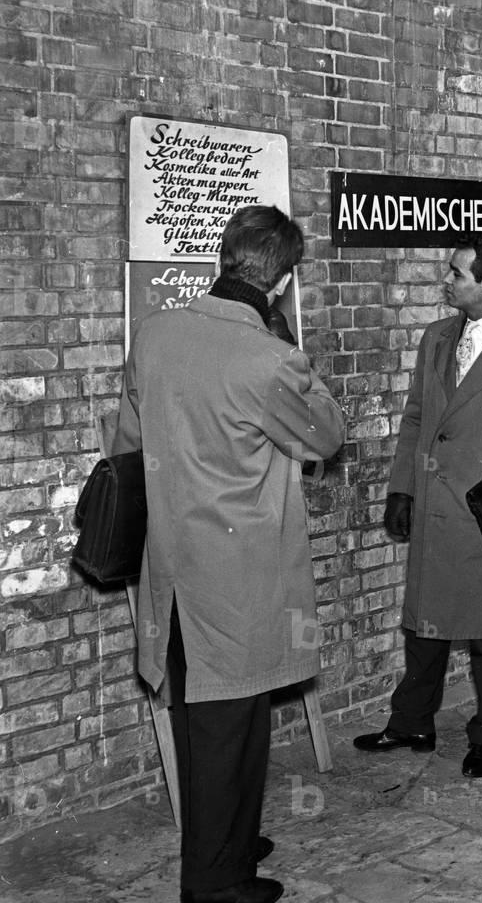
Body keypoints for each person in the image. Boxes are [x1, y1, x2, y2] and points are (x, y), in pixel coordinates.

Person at [113, 205, 347, 903]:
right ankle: (217, 883)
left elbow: (127, 440)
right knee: (231, 726)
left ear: (224, 257)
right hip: (238, 578)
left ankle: (230, 839)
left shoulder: (155, 336)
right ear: (282, 281)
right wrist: (281, 345)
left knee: (205, 721)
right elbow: (327, 436)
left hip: (170, 568)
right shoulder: (270, 359)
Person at [354, 235, 482, 777]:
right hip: (430, 504)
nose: (446, 281)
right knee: (424, 626)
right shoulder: (437, 337)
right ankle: (411, 721)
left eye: (456, 275)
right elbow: (418, 417)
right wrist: (402, 488)